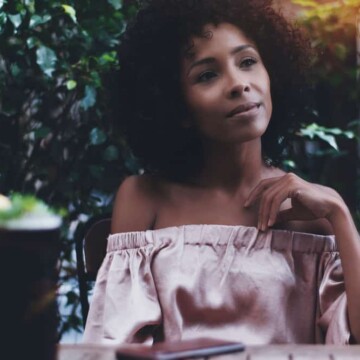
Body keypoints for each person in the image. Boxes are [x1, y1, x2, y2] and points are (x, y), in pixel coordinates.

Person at [83, 0, 360, 345]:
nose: (238, 84)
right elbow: (115, 344)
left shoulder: (310, 213)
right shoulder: (145, 197)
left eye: (248, 62)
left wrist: (339, 213)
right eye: (207, 75)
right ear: (176, 104)